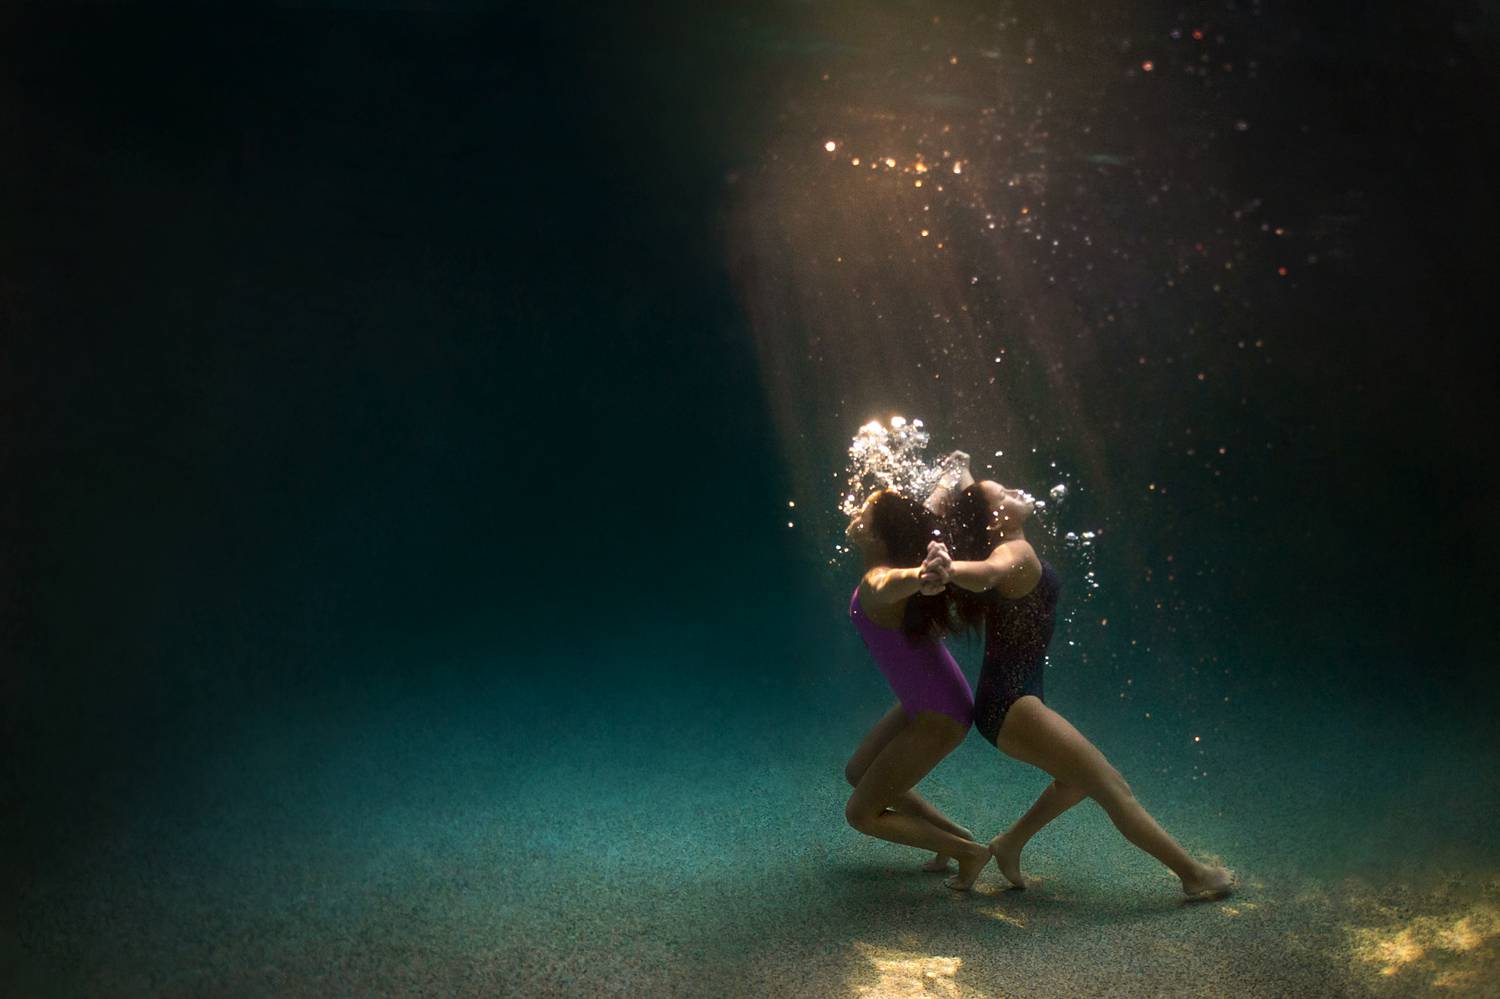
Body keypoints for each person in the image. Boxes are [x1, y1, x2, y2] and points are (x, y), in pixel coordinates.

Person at [922, 459, 1234, 900]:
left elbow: (980, 520)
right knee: (1113, 788)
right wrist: (951, 570)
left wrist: (964, 474)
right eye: (1004, 494)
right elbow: (988, 572)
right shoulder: (1016, 553)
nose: (1015, 493)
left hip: (1009, 700)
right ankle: (1194, 876)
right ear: (997, 519)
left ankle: (1009, 844)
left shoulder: (1004, 543)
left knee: (1076, 781)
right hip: (1013, 703)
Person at [842, 489, 992, 890]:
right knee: (857, 773)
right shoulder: (886, 568)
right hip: (924, 703)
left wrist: (921, 577)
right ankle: (955, 837)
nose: (857, 512)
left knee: (860, 814)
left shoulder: (879, 579)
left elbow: (889, 583)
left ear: (878, 535)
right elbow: (900, 571)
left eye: (866, 510)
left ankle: (969, 853)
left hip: (940, 714)